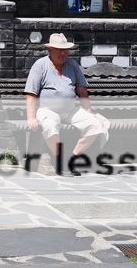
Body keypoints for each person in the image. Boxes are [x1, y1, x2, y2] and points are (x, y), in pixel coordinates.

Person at [24, 33, 110, 175]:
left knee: (96, 125)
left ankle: (73, 158)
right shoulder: (40, 65)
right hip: (48, 110)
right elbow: (31, 94)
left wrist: (88, 111)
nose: (63, 53)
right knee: (50, 126)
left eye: (65, 50)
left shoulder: (73, 65)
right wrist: (31, 118)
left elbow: (82, 90)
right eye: (59, 50)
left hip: (71, 110)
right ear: (50, 50)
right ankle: (60, 161)